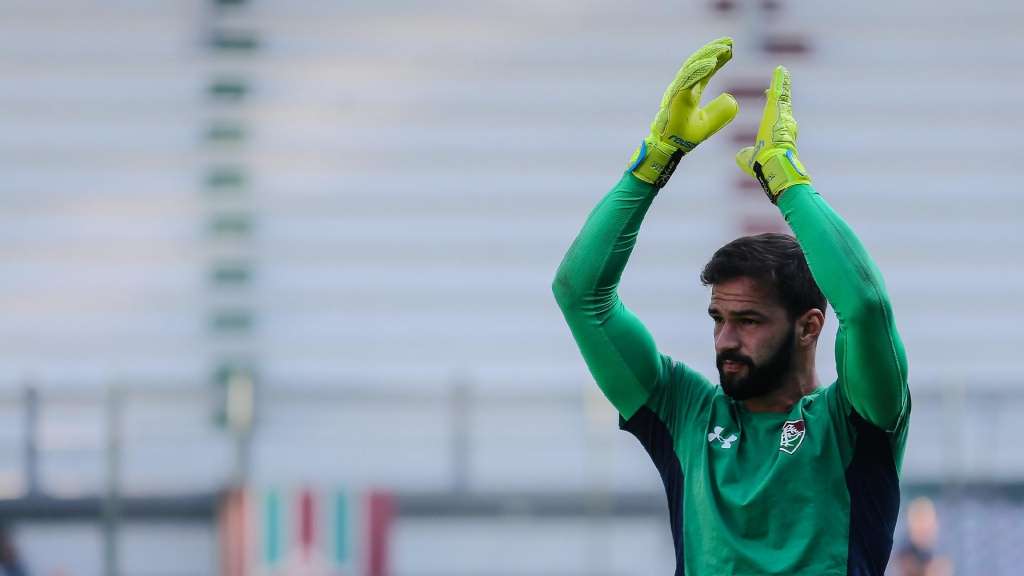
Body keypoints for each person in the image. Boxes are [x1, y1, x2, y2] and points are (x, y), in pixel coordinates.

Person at [552, 38, 910, 575]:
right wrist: (653, 163)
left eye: (748, 321)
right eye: (718, 319)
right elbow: (580, 296)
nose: (724, 341)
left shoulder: (854, 422)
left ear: (810, 326)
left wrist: (785, 179)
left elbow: (865, 305)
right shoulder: (685, 415)